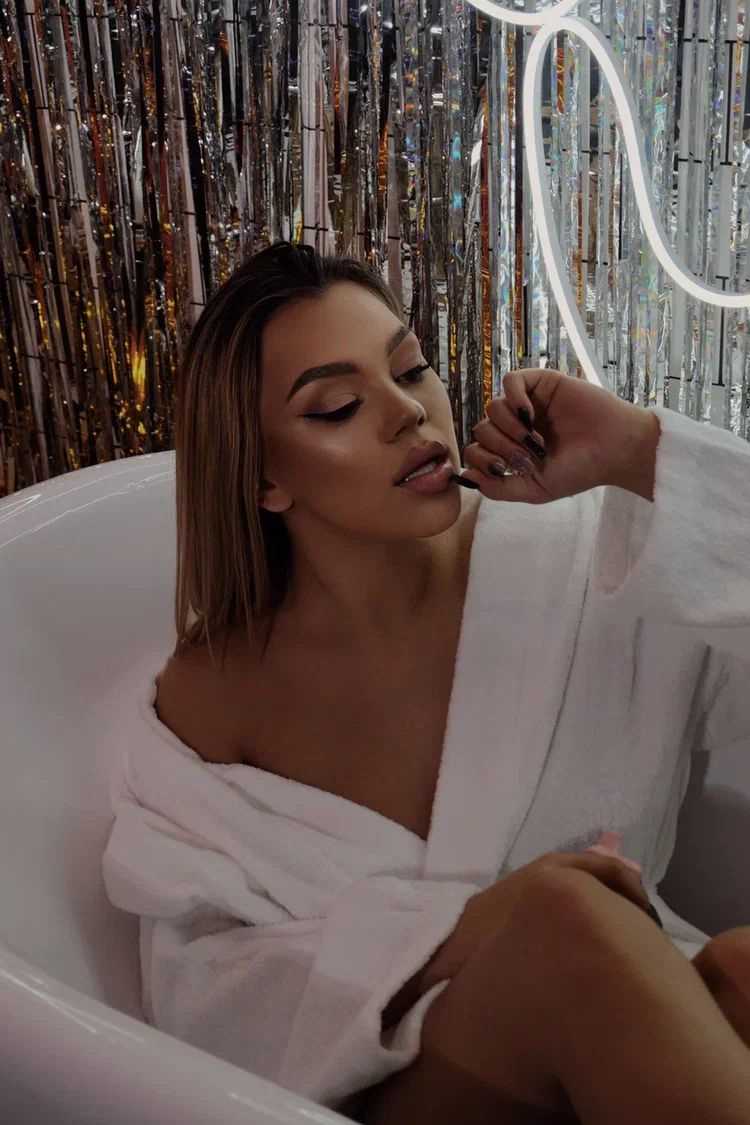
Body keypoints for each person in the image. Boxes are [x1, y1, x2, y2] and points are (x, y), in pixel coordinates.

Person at [102, 240, 750, 1124]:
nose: (408, 411)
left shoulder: (580, 558)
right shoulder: (212, 695)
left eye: (411, 368)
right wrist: (473, 928)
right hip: (386, 1088)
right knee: (566, 922)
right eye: (338, 406)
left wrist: (641, 454)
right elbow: (203, 992)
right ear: (262, 478)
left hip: (618, 1049)